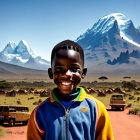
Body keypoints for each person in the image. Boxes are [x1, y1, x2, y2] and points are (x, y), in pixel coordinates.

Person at [27, 40, 114, 140]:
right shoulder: (39, 113)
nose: (67, 74)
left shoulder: (96, 109)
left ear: (83, 73)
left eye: (74, 69)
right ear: (51, 73)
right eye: (59, 69)